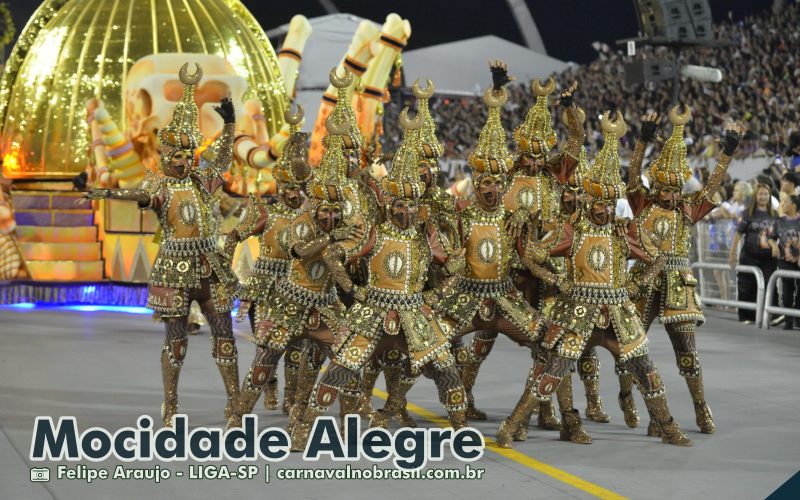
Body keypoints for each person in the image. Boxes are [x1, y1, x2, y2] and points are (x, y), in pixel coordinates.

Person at [85, 63, 240, 427]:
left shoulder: (203, 179)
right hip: (175, 266)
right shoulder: (158, 185)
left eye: (189, 155)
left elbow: (221, 156)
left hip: (210, 264)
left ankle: (235, 403)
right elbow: (137, 193)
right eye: (179, 156)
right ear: (166, 154)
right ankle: (170, 406)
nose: (185, 161)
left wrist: (230, 125)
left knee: (224, 333)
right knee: (175, 339)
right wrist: (107, 192)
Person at [729, 183, 778, 324]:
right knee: (747, 286)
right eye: (760, 194)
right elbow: (738, 234)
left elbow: (775, 236)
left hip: (768, 259)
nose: (763, 197)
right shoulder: (747, 213)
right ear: (755, 196)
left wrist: (774, 245)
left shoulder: (774, 214)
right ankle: (746, 316)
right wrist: (732, 254)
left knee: (770, 285)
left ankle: (771, 316)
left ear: (769, 196)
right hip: (749, 257)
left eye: (766, 194)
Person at [770, 194, 800, 329]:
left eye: (786, 202)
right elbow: (771, 237)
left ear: (794, 204)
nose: (782, 204)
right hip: (784, 259)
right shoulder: (779, 221)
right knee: (787, 288)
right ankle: (788, 319)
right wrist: (774, 246)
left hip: (798, 259)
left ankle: (797, 317)